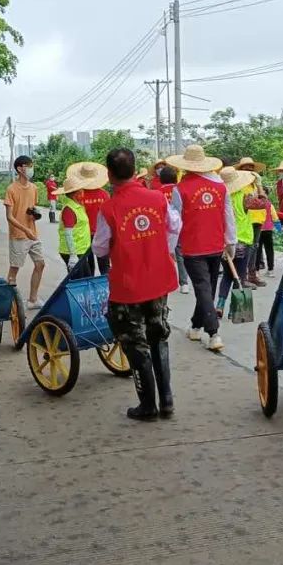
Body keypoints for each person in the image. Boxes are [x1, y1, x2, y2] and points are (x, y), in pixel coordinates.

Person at [93, 148, 181, 420]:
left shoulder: (109, 208)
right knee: (158, 336)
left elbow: (99, 249)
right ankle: (167, 401)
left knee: (135, 343)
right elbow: (175, 226)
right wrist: (157, 249)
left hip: (128, 286)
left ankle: (148, 406)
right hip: (159, 281)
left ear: (109, 174)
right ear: (135, 170)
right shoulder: (156, 198)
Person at [167, 145, 237, 352]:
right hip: (216, 245)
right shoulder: (221, 187)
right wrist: (231, 242)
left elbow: (175, 221)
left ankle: (213, 332)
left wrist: (170, 248)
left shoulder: (179, 189)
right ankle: (196, 327)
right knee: (207, 289)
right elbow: (228, 216)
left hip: (192, 247)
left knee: (204, 289)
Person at [4, 155, 46, 309]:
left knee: (40, 264)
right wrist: (25, 229)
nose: (31, 169)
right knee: (14, 268)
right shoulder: (11, 189)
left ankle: (33, 299)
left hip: (32, 234)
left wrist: (35, 214)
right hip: (18, 235)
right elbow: (9, 217)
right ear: (20, 169)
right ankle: (8, 302)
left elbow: (32, 208)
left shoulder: (34, 188)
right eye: (29, 166)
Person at [216, 167, 257, 319]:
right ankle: (236, 310)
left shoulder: (219, 197)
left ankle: (220, 304)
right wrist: (258, 186)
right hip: (243, 242)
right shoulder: (245, 197)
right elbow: (263, 204)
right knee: (239, 275)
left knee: (227, 275)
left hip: (224, 242)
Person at [70, 162, 112, 275]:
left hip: (84, 234)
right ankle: (106, 288)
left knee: (88, 266)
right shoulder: (105, 195)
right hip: (102, 234)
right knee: (104, 265)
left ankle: (89, 289)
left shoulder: (78, 195)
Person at [158, 164, 189, 294]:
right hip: (179, 226)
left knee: (165, 254)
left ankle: (165, 281)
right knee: (180, 253)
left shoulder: (157, 192)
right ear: (175, 178)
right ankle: (184, 283)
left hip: (164, 229)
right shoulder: (179, 189)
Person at [237, 157, 269, 285]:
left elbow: (265, 200)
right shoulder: (240, 186)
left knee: (254, 248)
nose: (249, 170)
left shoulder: (254, 185)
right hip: (246, 221)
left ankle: (252, 274)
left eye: (251, 168)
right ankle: (243, 276)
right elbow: (256, 202)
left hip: (258, 219)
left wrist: (259, 184)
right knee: (246, 249)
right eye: (246, 168)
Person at [54, 175, 91, 274]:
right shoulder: (69, 210)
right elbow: (68, 234)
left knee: (85, 279)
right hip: (73, 252)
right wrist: (73, 255)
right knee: (78, 282)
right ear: (76, 194)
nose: (83, 192)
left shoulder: (77, 206)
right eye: (81, 191)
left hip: (81, 250)